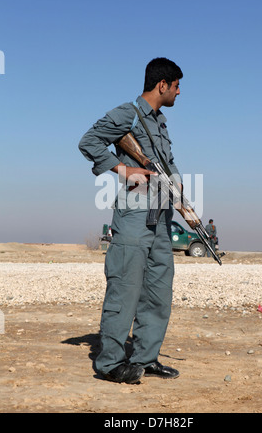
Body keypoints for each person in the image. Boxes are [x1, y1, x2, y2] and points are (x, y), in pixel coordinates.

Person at [78, 58, 183, 384]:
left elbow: (168, 164)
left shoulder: (161, 123)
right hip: (134, 216)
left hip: (161, 218)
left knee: (157, 292)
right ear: (161, 85)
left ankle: (145, 357)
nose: (180, 92)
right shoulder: (127, 113)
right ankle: (109, 364)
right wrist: (125, 170)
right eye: (177, 86)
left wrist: (178, 190)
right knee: (124, 289)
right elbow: (89, 141)